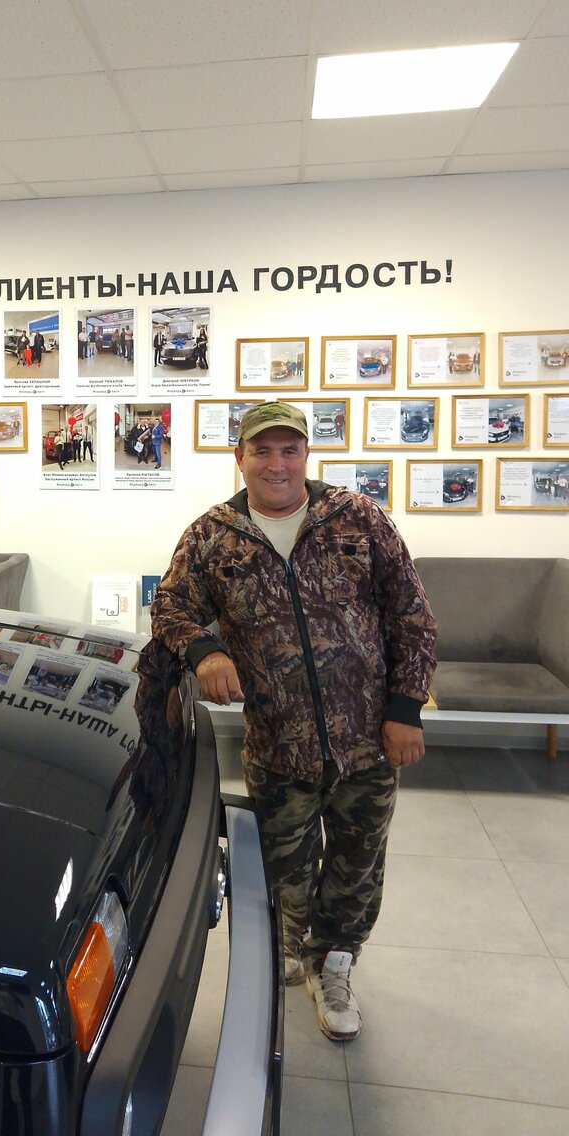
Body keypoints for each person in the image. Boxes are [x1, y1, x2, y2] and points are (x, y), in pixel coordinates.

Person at [148, 400, 436, 1043]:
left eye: (289, 449)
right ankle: (288, 947)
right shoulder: (212, 536)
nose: (276, 464)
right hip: (278, 746)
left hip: (368, 743)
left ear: (307, 454)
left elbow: (412, 616)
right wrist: (206, 651)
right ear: (240, 457)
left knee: (357, 865)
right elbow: (169, 608)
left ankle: (334, 963)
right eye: (262, 450)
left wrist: (406, 709)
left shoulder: (357, 519)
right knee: (284, 867)